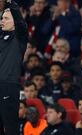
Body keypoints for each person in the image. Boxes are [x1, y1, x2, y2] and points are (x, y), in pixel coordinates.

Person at [0, 0, 28, 135]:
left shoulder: (19, 38)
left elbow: (21, 23)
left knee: (11, 127)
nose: (1, 21)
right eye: (1, 18)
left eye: (5, 19)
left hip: (9, 86)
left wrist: (11, 4)